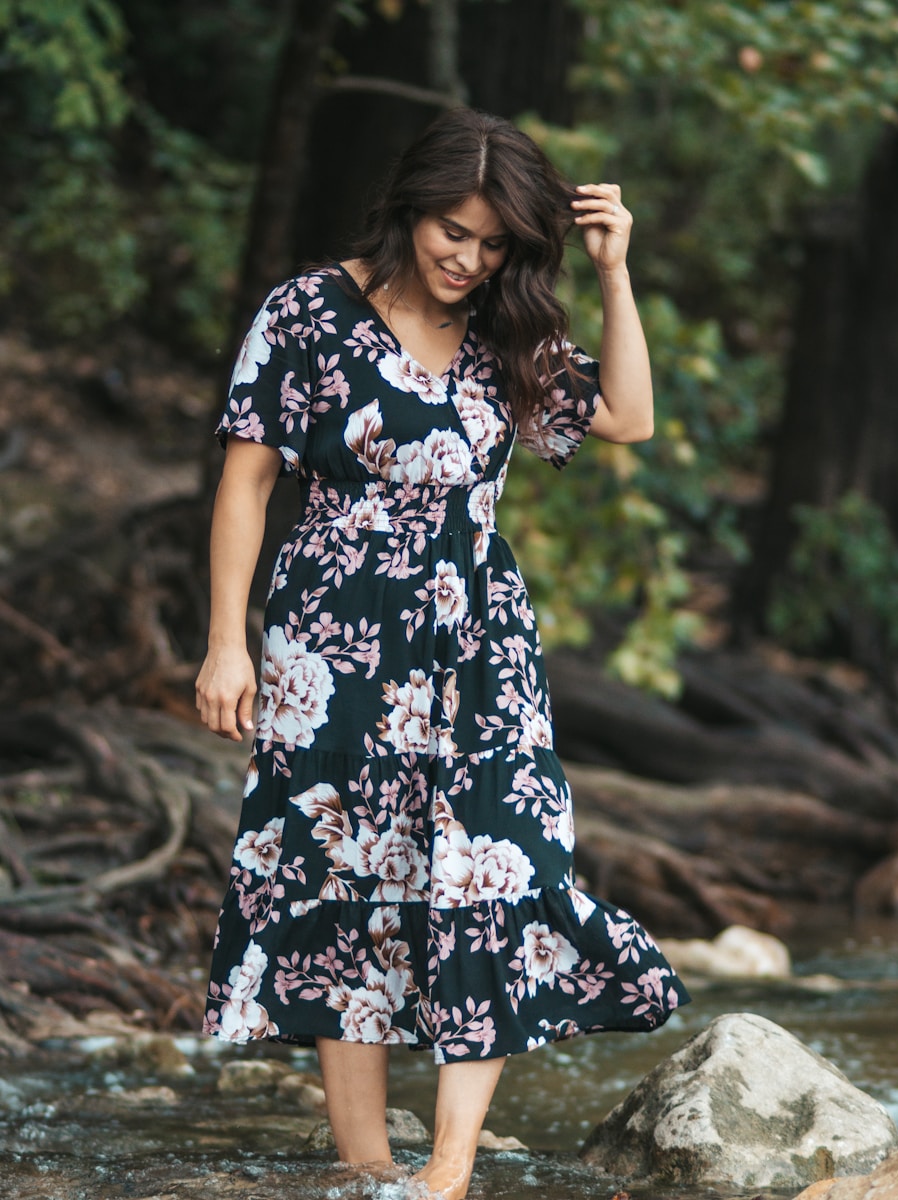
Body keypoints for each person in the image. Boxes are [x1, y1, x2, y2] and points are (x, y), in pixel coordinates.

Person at [195, 107, 690, 1200]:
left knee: (500, 864)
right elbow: (246, 480)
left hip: (477, 643)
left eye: (494, 242)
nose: (467, 259)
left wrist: (613, 276)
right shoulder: (308, 313)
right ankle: (372, 1175)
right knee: (344, 887)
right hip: (331, 642)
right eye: (451, 233)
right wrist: (228, 644)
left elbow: (628, 419)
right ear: (410, 209)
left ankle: (448, 1173)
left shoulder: (504, 332)